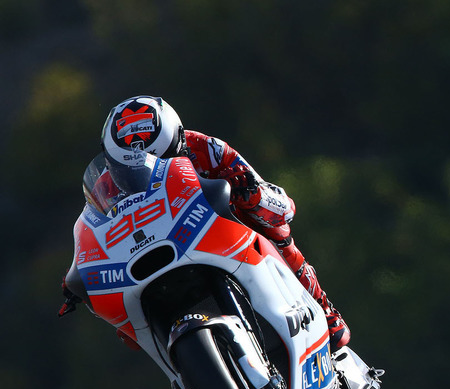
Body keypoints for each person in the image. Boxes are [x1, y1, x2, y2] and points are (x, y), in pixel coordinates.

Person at [61, 95, 350, 349]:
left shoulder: (208, 150)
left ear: (178, 142)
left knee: (273, 228)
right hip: (151, 251)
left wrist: (250, 194)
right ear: (112, 162)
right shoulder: (105, 187)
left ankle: (323, 308)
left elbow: (283, 209)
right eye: (129, 170)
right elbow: (95, 232)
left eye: (157, 160)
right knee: (123, 329)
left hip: (213, 233)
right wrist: (78, 275)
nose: (143, 172)